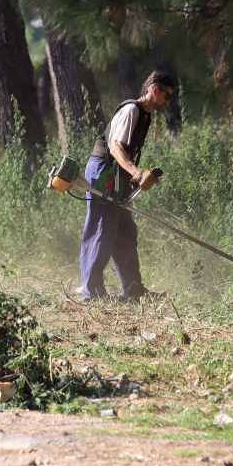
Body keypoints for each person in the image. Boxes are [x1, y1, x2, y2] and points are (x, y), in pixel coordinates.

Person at [79, 70, 176, 302]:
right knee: (103, 229)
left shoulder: (145, 115)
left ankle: (133, 290)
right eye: (166, 96)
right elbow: (115, 147)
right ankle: (92, 295)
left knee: (125, 231)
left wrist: (137, 176)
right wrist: (137, 173)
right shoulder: (131, 110)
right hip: (104, 172)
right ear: (154, 90)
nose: (167, 102)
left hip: (117, 175)